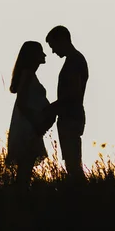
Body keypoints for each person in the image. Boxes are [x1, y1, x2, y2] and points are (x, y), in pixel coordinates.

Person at [6, 41, 56, 189]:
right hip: (27, 127)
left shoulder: (29, 75)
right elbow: (22, 103)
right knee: (25, 169)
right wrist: (36, 123)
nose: (44, 54)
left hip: (29, 126)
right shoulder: (27, 75)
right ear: (33, 55)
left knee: (26, 168)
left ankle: (20, 197)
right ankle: (20, 199)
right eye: (41, 51)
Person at [45, 25, 89, 183]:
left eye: (53, 46)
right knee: (71, 163)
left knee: (73, 164)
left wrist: (51, 108)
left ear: (62, 40)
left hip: (71, 117)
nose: (53, 51)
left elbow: (73, 94)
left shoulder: (75, 61)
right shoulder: (74, 60)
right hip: (69, 116)